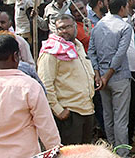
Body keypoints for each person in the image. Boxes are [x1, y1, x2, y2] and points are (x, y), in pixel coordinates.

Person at [37, 14, 96, 145]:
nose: (64, 31)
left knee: (85, 157)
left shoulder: (78, 45)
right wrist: (58, 110)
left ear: (75, 27)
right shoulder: (51, 51)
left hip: (87, 108)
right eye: (60, 28)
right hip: (69, 113)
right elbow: (45, 84)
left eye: (68, 27)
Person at [88, 0, 134, 156]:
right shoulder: (124, 27)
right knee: (120, 119)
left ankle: (112, 152)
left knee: (108, 116)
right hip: (118, 76)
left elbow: (91, 52)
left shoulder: (98, 26)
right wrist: (106, 75)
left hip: (102, 78)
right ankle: (123, 155)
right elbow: (120, 54)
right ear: (122, 8)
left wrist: (98, 74)